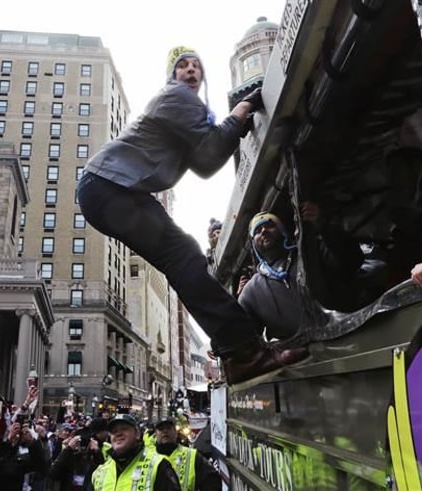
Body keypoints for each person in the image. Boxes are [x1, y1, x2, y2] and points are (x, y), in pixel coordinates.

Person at [76, 45, 308, 386]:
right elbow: (212, 153)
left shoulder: (186, 109)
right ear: (174, 75)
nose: (190, 71)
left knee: (183, 257)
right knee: (183, 256)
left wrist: (234, 125)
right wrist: (244, 108)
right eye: (182, 66)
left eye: (196, 66)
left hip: (114, 190)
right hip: (110, 186)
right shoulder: (178, 97)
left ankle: (240, 354)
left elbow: (203, 161)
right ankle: (244, 351)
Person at [238, 203, 365, 341]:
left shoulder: (311, 252)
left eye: (270, 225)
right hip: (305, 359)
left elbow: (352, 260)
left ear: (283, 231)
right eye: (257, 231)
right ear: (254, 245)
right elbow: (242, 335)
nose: (264, 231)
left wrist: (324, 226)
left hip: (351, 336)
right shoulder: (250, 292)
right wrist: (235, 306)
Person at [91, 414, 180, 491]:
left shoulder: (159, 465)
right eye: (114, 431)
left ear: (137, 434)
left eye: (124, 429)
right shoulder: (100, 471)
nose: (118, 434)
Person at [153, 419, 220, 491]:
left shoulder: (192, 456)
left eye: (168, 428)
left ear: (176, 432)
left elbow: (212, 481)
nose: (165, 431)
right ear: (155, 434)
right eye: (161, 429)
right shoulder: (148, 458)